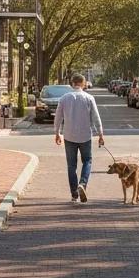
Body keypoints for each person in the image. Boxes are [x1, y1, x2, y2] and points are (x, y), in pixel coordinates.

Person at [53, 74, 105, 205]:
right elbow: (96, 117)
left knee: (71, 165)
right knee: (87, 161)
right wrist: (100, 134)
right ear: (83, 83)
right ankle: (83, 183)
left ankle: (74, 194)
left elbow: (58, 117)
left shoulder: (64, 98)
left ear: (72, 83)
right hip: (85, 136)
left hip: (69, 135)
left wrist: (57, 132)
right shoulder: (89, 98)